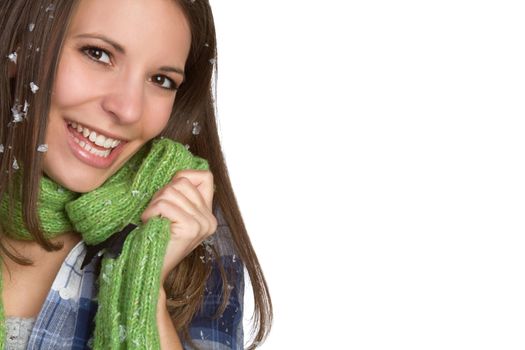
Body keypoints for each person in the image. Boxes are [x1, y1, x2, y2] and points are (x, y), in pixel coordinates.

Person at [0, 0, 272, 349]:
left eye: (161, 80)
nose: (128, 109)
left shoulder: (190, 229)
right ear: (19, 47)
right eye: (97, 54)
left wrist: (146, 286)